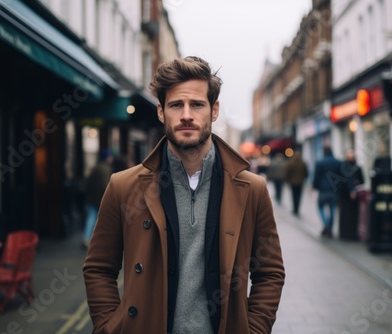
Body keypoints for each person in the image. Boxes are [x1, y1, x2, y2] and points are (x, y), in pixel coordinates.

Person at [84, 56, 285, 334]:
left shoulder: (252, 190)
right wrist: (109, 327)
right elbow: (98, 268)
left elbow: (269, 272)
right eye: (176, 104)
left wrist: (255, 329)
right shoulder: (123, 186)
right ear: (161, 112)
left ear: (214, 111)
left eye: (197, 105)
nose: (187, 115)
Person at [82, 149, 113, 248]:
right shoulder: (105, 169)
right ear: (107, 158)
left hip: (92, 198)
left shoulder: (96, 167)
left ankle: (87, 238)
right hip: (98, 199)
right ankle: (88, 239)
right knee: (94, 218)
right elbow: (105, 185)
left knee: (92, 218)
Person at [312, 145, 343, 238]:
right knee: (332, 208)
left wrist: (315, 186)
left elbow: (316, 177)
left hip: (323, 189)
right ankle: (330, 227)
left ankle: (326, 224)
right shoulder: (338, 162)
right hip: (334, 189)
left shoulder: (320, 163)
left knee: (320, 207)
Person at [338, 148, 364, 240]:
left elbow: (361, 180)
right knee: (345, 215)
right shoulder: (342, 167)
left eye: (352, 153)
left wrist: (356, 185)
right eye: (349, 153)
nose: (351, 155)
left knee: (353, 215)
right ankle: (345, 233)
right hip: (345, 196)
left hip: (355, 196)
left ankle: (352, 233)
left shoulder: (357, 168)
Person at [284, 151, 308, 216]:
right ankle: (297, 209)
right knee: (299, 196)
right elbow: (306, 173)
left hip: (293, 182)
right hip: (300, 182)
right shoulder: (303, 163)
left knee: (293, 195)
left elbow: (287, 172)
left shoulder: (291, 163)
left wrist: (287, 179)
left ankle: (294, 208)